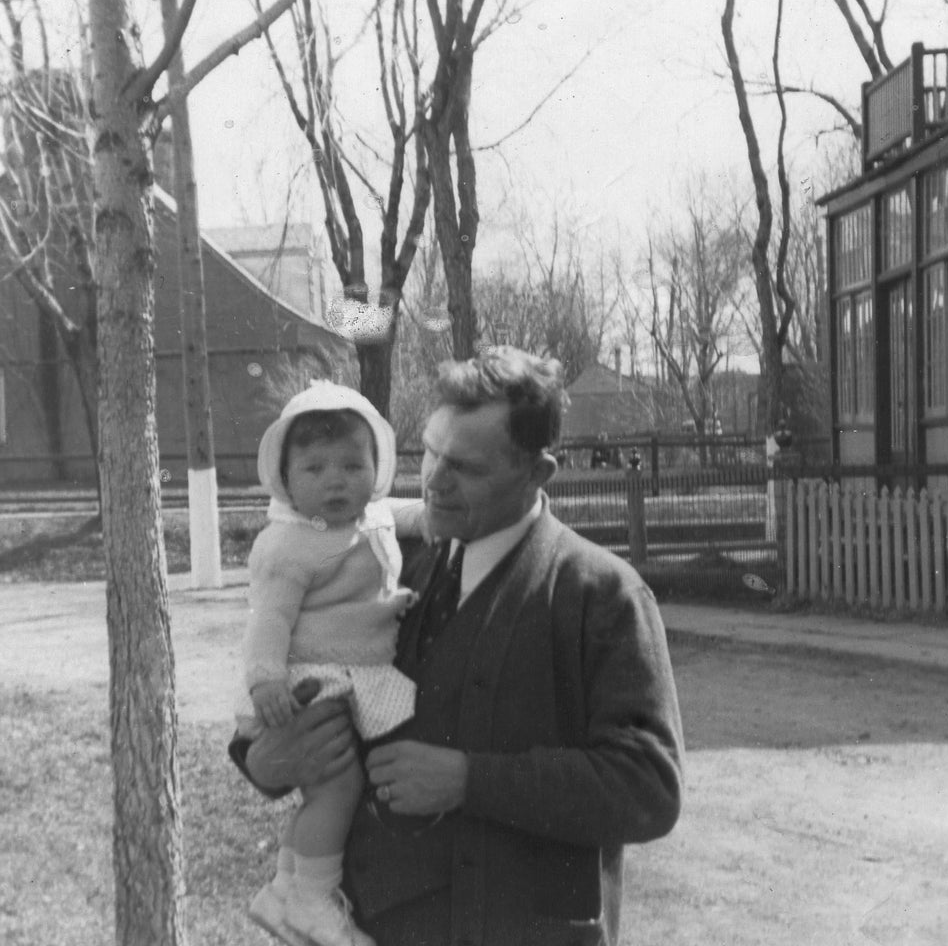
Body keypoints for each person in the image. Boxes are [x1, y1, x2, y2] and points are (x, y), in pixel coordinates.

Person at [231, 347, 685, 946]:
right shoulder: (387, 563)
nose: (436, 482)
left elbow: (649, 787)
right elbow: (289, 681)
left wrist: (471, 779)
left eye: (466, 468)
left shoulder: (600, 595)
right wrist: (264, 762)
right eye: (432, 453)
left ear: (538, 473)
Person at [238, 381, 424, 946]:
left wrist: (434, 516)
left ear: (377, 467)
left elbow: (402, 514)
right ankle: (316, 899)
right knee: (336, 788)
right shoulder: (290, 545)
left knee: (321, 792)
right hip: (308, 678)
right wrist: (265, 678)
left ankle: (288, 888)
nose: (335, 480)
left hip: (345, 671)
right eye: (315, 468)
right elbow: (268, 619)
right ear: (287, 483)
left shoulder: (367, 517)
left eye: (351, 464)